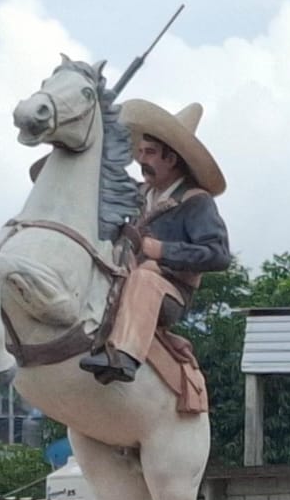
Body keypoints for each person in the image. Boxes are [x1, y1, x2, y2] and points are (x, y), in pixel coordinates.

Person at [80, 99, 230, 386]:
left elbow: (218, 255)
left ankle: (123, 355)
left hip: (168, 291)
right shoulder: (136, 195)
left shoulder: (196, 202)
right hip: (120, 278)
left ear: (172, 159)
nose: (141, 159)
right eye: (140, 152)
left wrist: (160, 250)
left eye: (150, 153)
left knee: (144, 279)